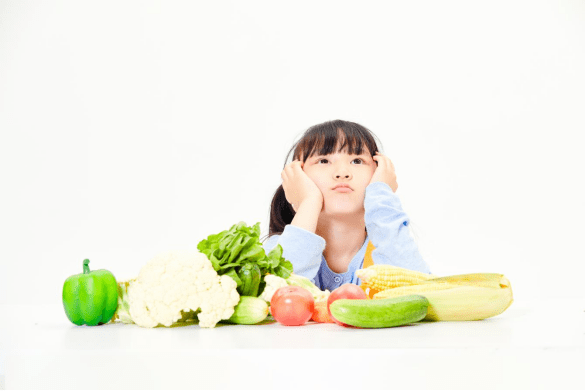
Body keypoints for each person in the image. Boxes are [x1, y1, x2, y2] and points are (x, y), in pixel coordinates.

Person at [261, 119, 432, 292]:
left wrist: (381, 195)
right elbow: (275, 294)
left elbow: (420, 294)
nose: (342, 173)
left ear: (378, 174)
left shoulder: (388, 246)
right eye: (324, 161)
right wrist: (309, 201)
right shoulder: (279, 248)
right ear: (297, 178)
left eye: (357, 161)